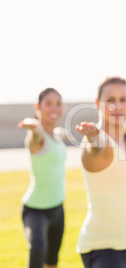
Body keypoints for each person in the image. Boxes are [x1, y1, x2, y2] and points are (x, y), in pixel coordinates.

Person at [76, 77, 126, 268]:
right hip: (105, 251)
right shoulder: (99, 143)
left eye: (123, 99)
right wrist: (93, 136)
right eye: (110, 100)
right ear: (98, 104)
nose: (117, 106)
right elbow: (98, 146)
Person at [18, 88, 66, 268]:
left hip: (58, 209)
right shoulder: (36, 137)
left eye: (58, 103)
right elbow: (36, 132)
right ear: (38, 106)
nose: (54, 108)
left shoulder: (56, 135)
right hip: (35, 211)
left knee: (52, 261)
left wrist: (64, 133)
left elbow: (58, 133)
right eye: (48, 104)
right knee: (37, 250)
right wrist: (33, 124)